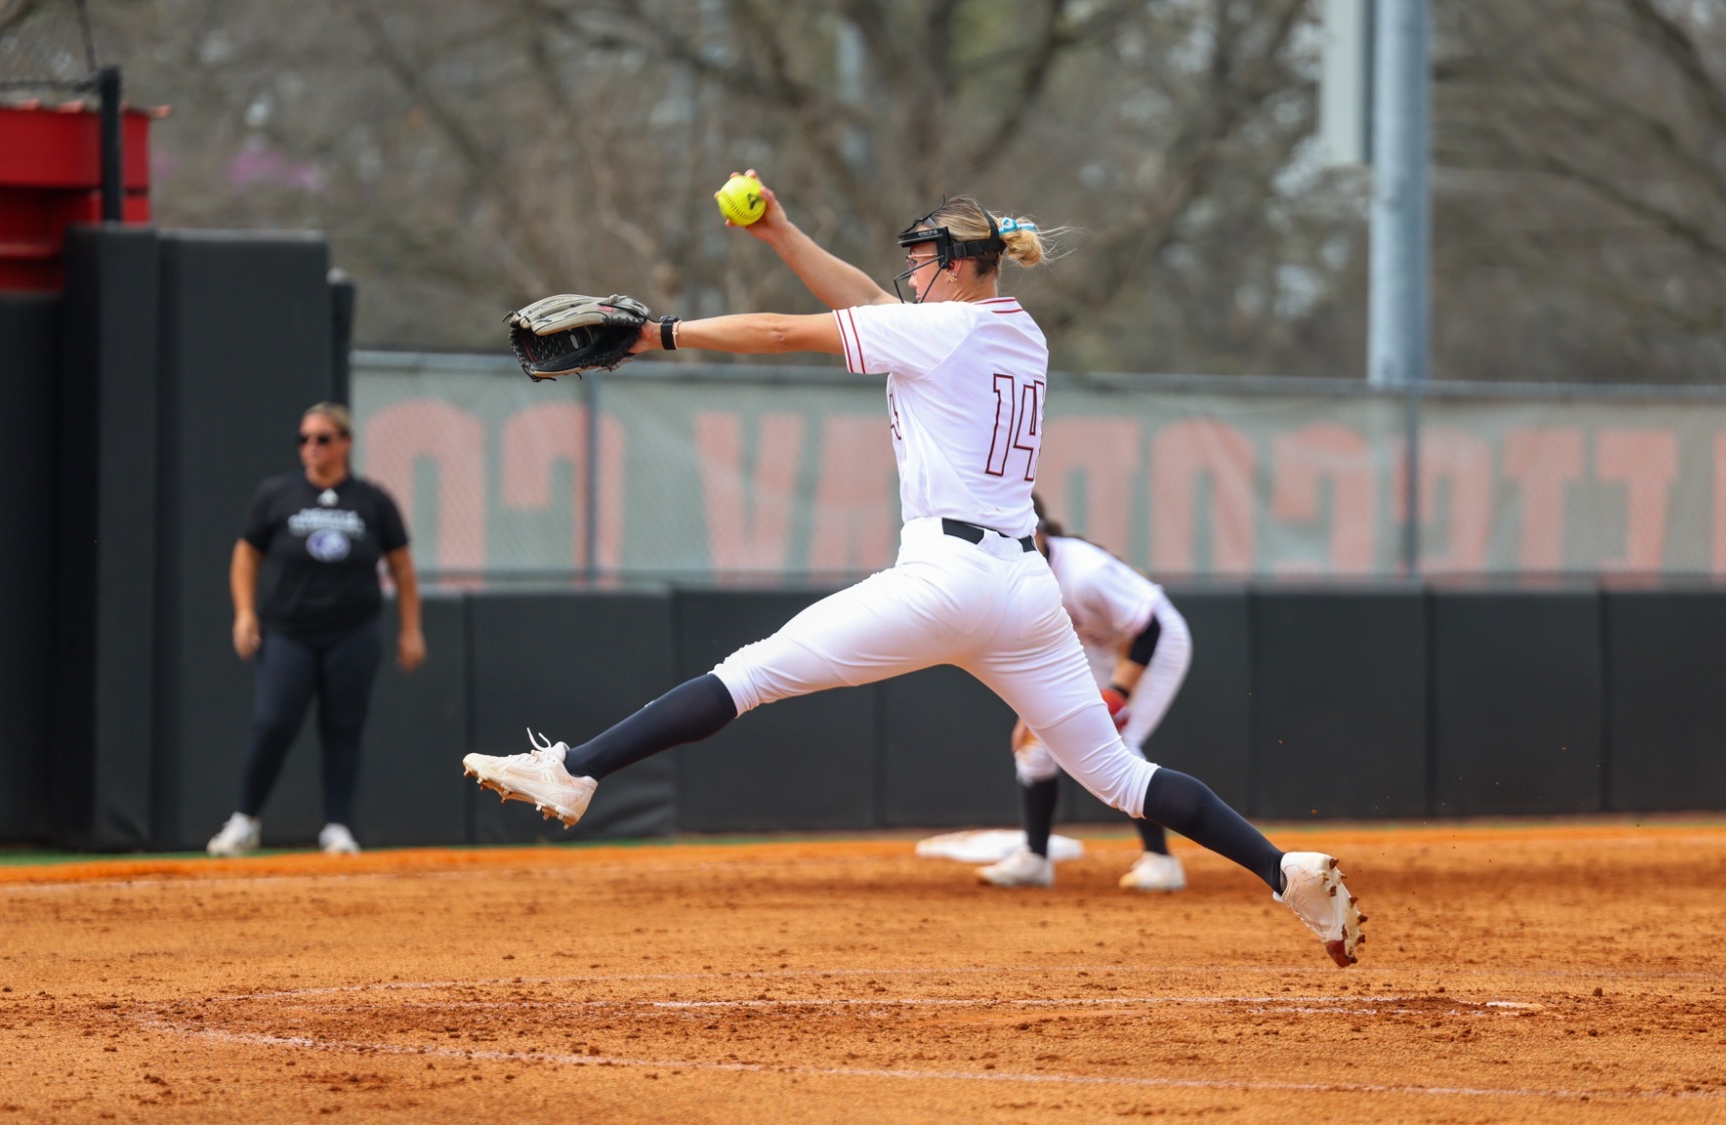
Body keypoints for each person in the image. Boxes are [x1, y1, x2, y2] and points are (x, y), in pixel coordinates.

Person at [463, 173, 1365, 966]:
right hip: (1023, 588)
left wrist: (656, 334)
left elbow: (786, 331)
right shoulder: (1014, 333)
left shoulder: (944, 333)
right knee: (1120, 775)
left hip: (948, 577)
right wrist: (779, 231)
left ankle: (576, 770)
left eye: (926, 257)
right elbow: (867, 305)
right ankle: (1284, 871)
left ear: (964, 264)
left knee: (751, 674)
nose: (912, 271)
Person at [207, 403, 426, 857]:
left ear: (345, 443)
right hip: (289, 630)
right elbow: (246, 555)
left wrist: (411, 630)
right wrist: (244, 613)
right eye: (304, 439)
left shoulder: (372, 499)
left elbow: (402, 568)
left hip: (352, 631)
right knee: (273, 722)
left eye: (323, 438)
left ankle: (337, 827)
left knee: (343, 726)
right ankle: (245, 820)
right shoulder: (277, 495)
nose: (312, 447)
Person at [976, 494, 1194, 892]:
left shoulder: (1084, 572)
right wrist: (1031, 712)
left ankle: (1161, 860)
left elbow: (1149, 630)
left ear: (1037, 531)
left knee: (1119, 739)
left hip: (1154, 644)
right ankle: (1035, 859)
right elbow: (1036, 648)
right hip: (1093, 646)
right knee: (1034, 745)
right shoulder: (1011, 579)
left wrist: (1118, 694)